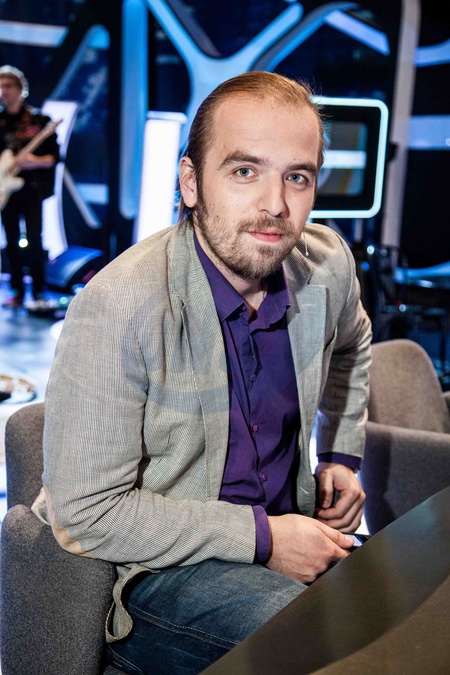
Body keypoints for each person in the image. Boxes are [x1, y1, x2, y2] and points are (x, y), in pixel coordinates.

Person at [33, 71, 372, 674]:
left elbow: (354, 343)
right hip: (161, 569)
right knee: (333, 647)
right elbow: (85, 513)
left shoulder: (325, 266)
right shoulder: (119, 306)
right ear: (190, 182)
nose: (275, 205)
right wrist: (264, 539)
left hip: (290, 530)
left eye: (297, 177)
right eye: (244, 171)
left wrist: (341, 456)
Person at [0, 65, 60, 307]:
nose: (3, 91)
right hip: (6, 190)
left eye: (8, 86)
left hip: (32, 190)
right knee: (11, 240)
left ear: (20, 89)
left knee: (34, 239)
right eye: (0, 87)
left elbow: (54, 157)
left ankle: (38, 291)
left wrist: (34, 161)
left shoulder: (38, 121)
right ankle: (16, 291)